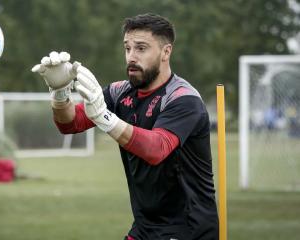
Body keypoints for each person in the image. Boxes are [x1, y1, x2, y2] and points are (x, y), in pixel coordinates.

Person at [32, 13, 219, 240]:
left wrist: (104, 117)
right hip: (144, 227)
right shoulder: (121, 92)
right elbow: (70, 124)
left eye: (141, 48)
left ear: (166, 52)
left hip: (189, 229)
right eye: (127, 48)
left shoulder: (183, 99)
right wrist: (60, 94)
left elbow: (156, 149)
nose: (131, 56)